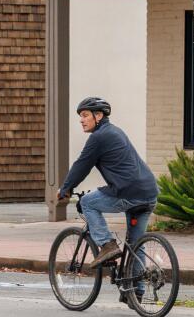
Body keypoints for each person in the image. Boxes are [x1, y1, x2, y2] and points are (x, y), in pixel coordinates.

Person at [57, 97, 160, 270]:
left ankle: (106, 245)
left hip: (128, 192)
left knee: (87, 202)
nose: (81, 120)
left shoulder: (99, 137)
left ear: (98, 116)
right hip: (149, 193)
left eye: (84, 115)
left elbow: (81, 165)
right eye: (80, 116)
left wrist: (65, 189)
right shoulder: (115, 131)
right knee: (136, 244)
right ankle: (137, 291)